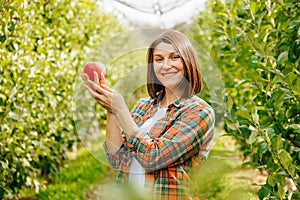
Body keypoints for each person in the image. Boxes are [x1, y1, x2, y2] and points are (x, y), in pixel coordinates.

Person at [81, 30, 215, 200]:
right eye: (159, 59)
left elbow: (154, 157)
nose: (166, 65)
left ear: (188, 62)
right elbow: (118, 159)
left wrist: (121, 110)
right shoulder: (143, 106)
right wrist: (111, 110)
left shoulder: (199, 112)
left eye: (174, 57)